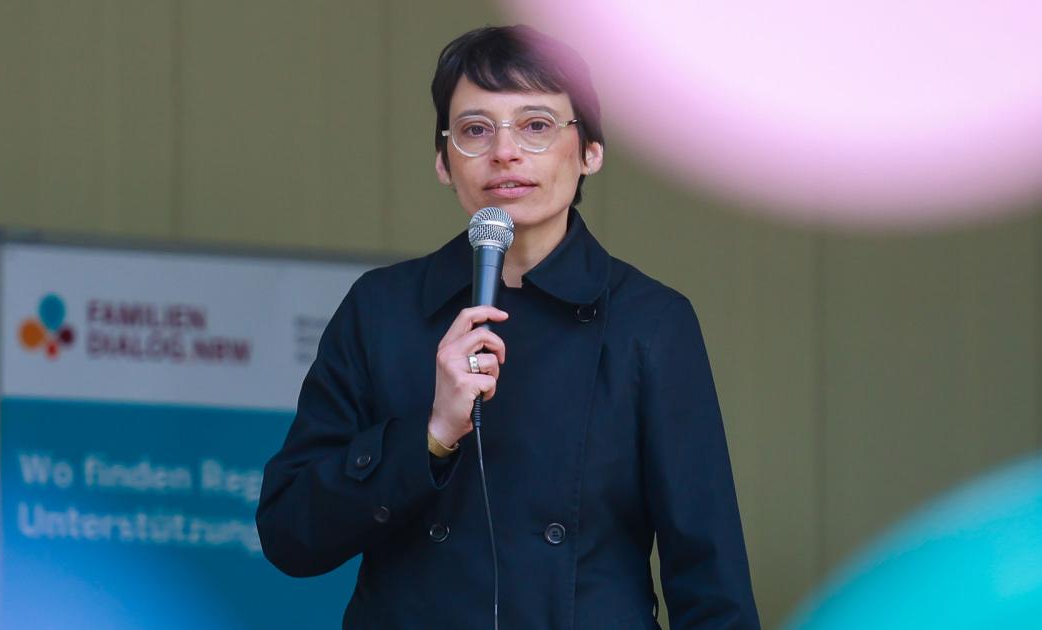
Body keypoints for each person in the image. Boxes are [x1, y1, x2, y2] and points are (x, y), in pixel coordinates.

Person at [257, 25, 761, 629]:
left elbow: (710, 576)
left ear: (590, 152)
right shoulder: (381, 309)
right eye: (475, 130)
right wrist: (431, 435)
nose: (504, 152)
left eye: (536, 125)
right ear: (443, 161)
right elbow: (290, 534)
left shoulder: (649, 322)